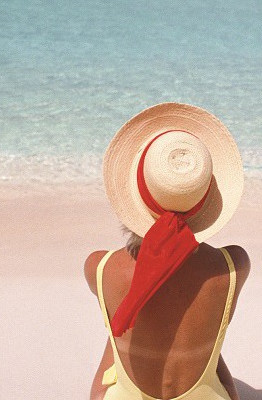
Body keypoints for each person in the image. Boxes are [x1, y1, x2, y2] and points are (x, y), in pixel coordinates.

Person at [85, 102, 250, 400]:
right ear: (205, 195)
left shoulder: (100, 267)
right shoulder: (233, 266)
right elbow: (214, 344)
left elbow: (115, 341)